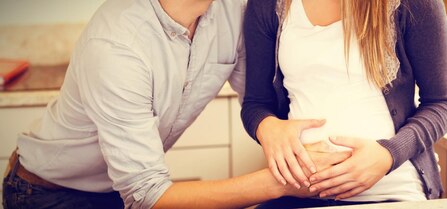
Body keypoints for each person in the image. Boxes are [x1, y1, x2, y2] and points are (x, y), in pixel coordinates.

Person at [2, 0, 349, 208]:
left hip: (119, 187)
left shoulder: (233, 10)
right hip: (46, 193)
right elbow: (147, 196)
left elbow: (260, 102)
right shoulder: (115, 46)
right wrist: (279, 184)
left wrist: (275, 129)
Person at [241, 0, 447, 207]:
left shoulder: (412, 4)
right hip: (298, 190)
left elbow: (442, 103)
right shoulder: (267, 5)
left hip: (392, 191)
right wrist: (268, 127)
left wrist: (388, 154)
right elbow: (256, 103)